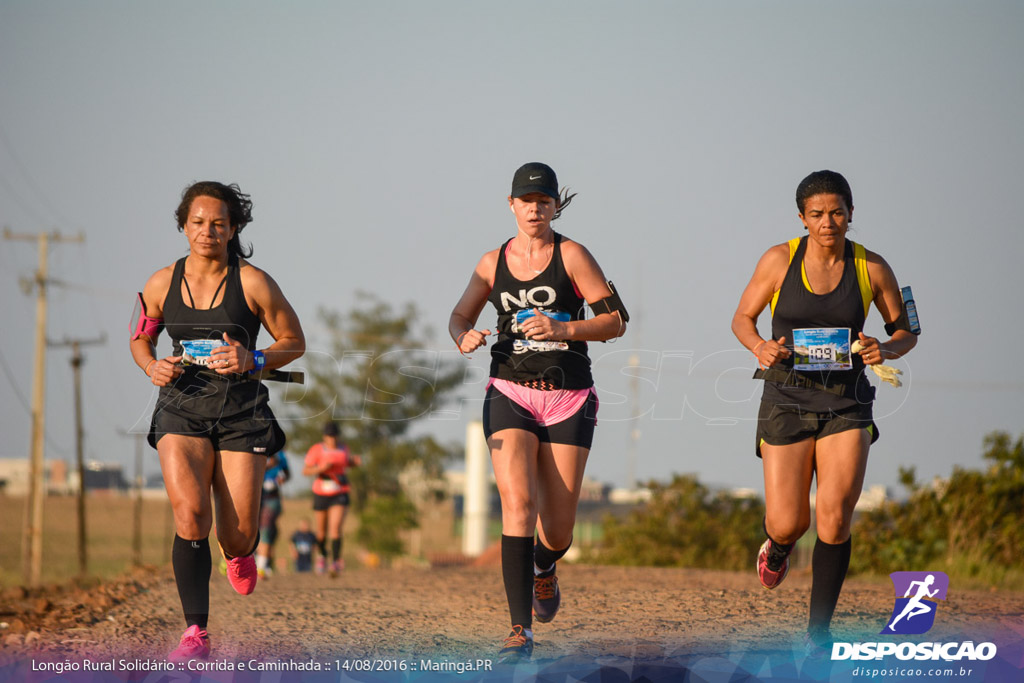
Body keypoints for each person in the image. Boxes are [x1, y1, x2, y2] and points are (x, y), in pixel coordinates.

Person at [731, 170, 918, 654]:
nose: (828, 222)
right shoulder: (779, 260)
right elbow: (742, 318)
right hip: (787, 396)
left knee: (834, 518)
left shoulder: (872, 267)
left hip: (846, 399)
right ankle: (778, 546)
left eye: (837, 212)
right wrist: (759, 347)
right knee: (789, 520)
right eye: (817, 214)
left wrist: (886, 349)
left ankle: (819, 632)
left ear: (851, 214)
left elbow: (906, 330)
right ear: (802, 218)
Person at [448, 162, 628, 662]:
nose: (535, 208)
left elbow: (616, 321)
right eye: (526, 201)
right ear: (511, 205)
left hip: (569, 395)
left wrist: (564, 330)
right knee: (517, 505)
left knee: (560, 529)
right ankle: (518, 631)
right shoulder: (491, 263)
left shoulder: (573, 255)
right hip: (510, 390)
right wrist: (463, 334)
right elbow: (461, 313)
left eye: (544, 201)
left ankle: (544, 568)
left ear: (554, 206)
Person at [129, 181, 304, 661]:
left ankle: (239, 550)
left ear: (233, 228)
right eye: (199, 222)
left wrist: (256, 357)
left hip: (241, 413)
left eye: (219, 223)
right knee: (190, 514)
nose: (208, 231)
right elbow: (141, 338)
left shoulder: (253, 282)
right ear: (184, 225)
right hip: (181, 408)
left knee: (237, 531)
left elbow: (294, 340)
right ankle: (195, 633)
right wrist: (150, 365)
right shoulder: (161, 282)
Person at [302, 422, 362, 576]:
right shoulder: (317, 450)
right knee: (321, 532)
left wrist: (353, 462)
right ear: (324, 437)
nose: (333, 439)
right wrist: (320, 468)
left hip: (339, 491)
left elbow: (346, 463)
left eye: (335, 436)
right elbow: (306, 470)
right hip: (321, 492)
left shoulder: (344, 448)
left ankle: (336, 562)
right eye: (330, 436)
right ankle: (322, 556)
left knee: (335, 529)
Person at [256, 451, 291, 577]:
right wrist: (268, 466)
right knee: (256, 530)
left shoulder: (281, 455)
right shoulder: (254, 449)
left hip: (272, 497)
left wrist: (283, 479)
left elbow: (287, 473)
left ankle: (261, 567)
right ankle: (260, 562)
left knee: (266, 529)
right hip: (256, 496)